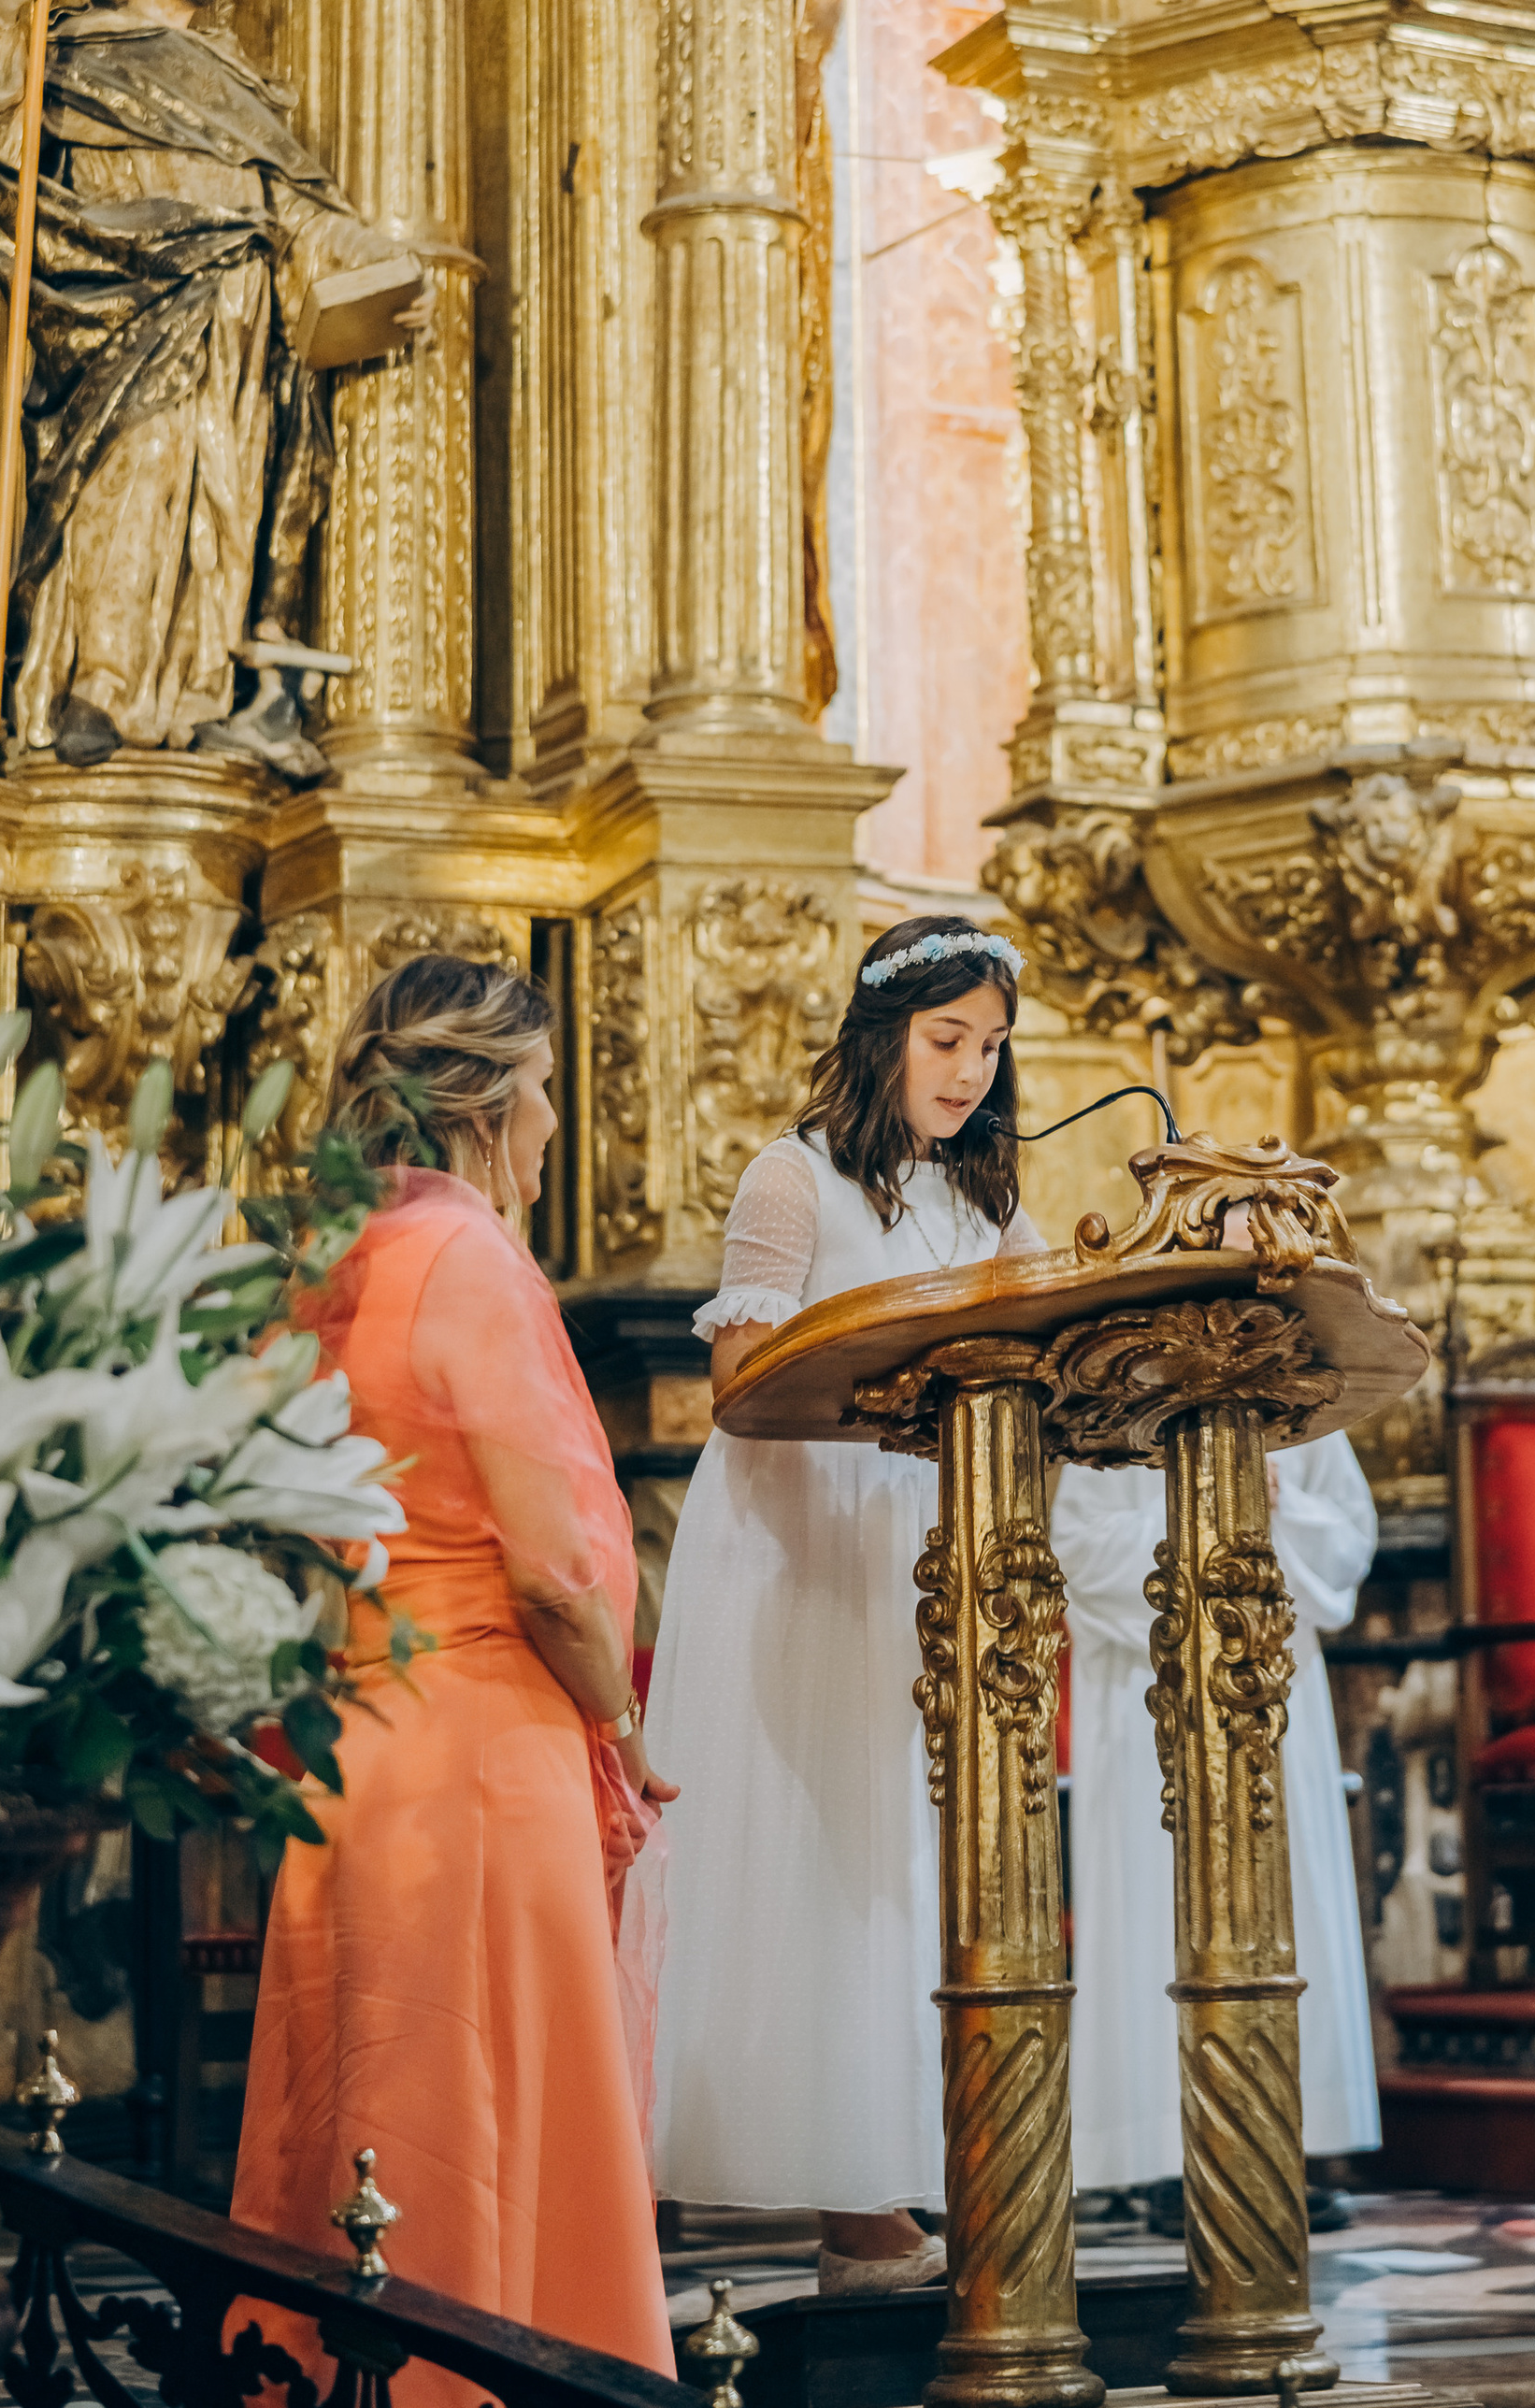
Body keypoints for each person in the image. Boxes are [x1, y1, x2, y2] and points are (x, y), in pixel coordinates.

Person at [233, 954, 674, 2401]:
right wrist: (620, 1713)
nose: (553, 1125)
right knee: (488, 2130)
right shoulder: (475, 1259)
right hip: (485, 1759)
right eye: (544, 1090)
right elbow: (549, 1571)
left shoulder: (327, 1260)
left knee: (365, 2123)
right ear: (485, 1105)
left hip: (360, 1757)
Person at [640, 918, 1042, 2291]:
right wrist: (901, 1380)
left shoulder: (988, 1203)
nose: (972, 1072)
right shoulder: (792, 1176)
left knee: (920, 1863)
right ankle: (842, 2195)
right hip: (802, 1544)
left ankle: (922, 2163)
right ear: (882, 1038)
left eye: (991, 1047)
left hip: (930, 1547)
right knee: (812, 1857)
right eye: (947, 1042)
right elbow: (744, 1382)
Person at [0, 0, 423, 773]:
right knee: (140, 471)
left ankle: (198, 691)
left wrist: (382, 269)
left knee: (226, 496)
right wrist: (3, 14)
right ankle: (102, 681)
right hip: (121, 306)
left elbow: (297, 210)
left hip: (238, 320)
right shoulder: (75, 48)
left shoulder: (237, 84)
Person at [1050, 1428, 1384, 2207]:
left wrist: (1274, 1505)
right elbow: (1077, 1548)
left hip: (1272, 1672)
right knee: (1154, 1900)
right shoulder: (1115, 1393)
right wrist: (1195, 1513)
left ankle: (1286, 2144)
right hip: (1150, 1684)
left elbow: (1346, 1536)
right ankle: (1166, 2148)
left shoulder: (1303, 1388)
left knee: (1286, 1897)